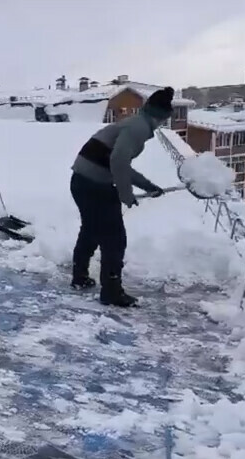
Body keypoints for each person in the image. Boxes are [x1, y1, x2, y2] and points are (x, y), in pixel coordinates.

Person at [69, 86, 174, 307]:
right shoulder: (138, 128)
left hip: (82, 181)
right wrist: (126, 194)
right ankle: (111, 292)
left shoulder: (134, 123)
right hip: (94, 185)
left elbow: (120, 164)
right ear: (160, 116)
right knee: (114, 239)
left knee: (90, 229)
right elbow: (118, 161)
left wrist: (147, 186)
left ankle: (80, 277)